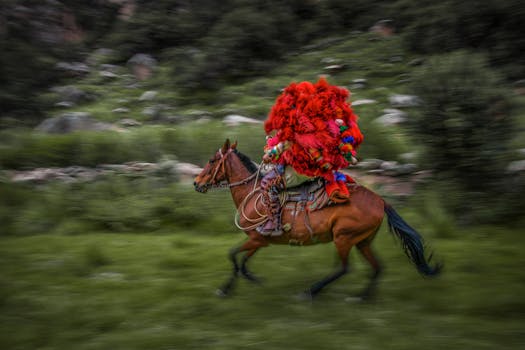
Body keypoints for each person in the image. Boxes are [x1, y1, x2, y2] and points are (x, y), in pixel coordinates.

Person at [256, 78, 363, 236]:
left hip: (302, 171)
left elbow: (282, 146)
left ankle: (274, 224)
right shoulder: (321, 127)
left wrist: (269, 154)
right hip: (315, 168)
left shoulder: (299, 131)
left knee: (267, 184)